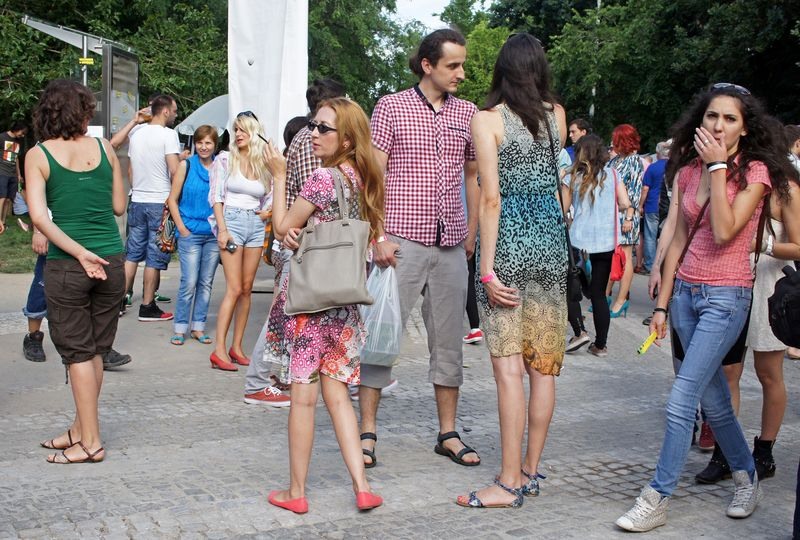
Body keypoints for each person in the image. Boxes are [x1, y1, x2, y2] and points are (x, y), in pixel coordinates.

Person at [615, 83, 777, 531]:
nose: (719, 125)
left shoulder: (756, 172)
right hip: (686, 294)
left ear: (745, 129)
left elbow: (724, 231)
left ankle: (657, 496)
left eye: (730, 119)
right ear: (700, 121)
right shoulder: (688, 171)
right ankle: (747, 477)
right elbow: (678, 239)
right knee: (715, 402)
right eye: (712, 116)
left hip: (727, 296)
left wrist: (720, 167)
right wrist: (661, 305)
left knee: (683, 396)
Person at [361, 28, 481, 470]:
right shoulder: (391, 106)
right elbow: (373, 176)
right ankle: (367, 433)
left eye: (462, 64)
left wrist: (471, 233)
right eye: (453, 65)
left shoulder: (467, 112)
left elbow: (472, 175)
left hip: (451, 244)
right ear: (427, 65)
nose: (461, 73)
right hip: (400, 242)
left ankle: (448, 433)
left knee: (449, 343)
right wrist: (377, 236)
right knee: (381, 337)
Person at [456, 33, 566, 509]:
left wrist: (485, 269)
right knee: (543, 368)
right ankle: (531, 470)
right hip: (551, 247)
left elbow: (491, 198)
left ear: (501, 69)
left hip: (509, 248)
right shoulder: (557, 115)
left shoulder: (487, 120)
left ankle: (506, 482)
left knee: (507, 371)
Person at [263, 97, 384, 513]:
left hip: (310, 305)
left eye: (323, 128)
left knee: (303, 399)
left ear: (346, 139)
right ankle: (362, 486)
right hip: (344, 305)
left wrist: (280, 176)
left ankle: (296, 492)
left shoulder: (321, 179)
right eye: (314, 125)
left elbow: (283, 225)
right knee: (339, 397)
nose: (313, 133)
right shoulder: (363, 179)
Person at [25, 79, 127, 463]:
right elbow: (119, 206)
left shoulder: (38, 155)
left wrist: (81, 253)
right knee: (95, 350)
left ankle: (91, 443)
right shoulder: (105, 148)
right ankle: (81, 428)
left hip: (69, 264)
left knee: (78, 354)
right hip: (111, 261)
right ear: (82, 111)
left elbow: (40, 218)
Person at [245, 79, 344, 406]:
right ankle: (259, 381)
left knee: (290, 314)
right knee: (283, 314)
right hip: (302, 241)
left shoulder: (305, 136)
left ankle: (288, 377)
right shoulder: (316, 143)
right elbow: (316, 197)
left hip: (303, 240)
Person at [208, 111, 272, 371]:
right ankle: (219, 350)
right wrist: (222, 230)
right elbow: (216, 197)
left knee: (247, 289)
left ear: (254, 132)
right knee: (233, 288)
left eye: (243, 129)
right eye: (235, 129)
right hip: (232, 222)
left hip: (255, 224)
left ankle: (236, 347)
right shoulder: (225, 159)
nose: (238, 134)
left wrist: (267, 211)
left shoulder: (263, 163)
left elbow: (270, 194)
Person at [563, 134, 633, 357]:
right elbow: (625, 203)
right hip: (605, 243)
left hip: (578, 242)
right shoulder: (613, 174)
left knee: (570, 290)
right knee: (599, 294)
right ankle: (600, 345)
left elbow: (561, 208)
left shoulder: (573, 177)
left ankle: (579, 332)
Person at [125, 94, 179, 322]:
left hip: (137, 200)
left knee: (132, 254)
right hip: (160, 202)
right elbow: (174, 170)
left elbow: (130, 170)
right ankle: (147, 306)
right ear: (165, 111)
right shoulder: (169, 135)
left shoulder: (136, 133)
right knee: (154, 256)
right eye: (174, 111)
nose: (175, 115)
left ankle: (119, 301)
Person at [166, 125, 220, 346]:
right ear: (194, 144)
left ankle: (198, 326)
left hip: (213, 234)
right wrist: (181, 228)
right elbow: (172, 199)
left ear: (215, 145)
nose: (203, 147)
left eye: (208, 143)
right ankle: (180, 327)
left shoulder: (221, 167)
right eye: (200, 142)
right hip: (189, 232)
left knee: (206, 283)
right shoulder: (185, 165)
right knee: (189, 282)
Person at [606, 124, 644, 318]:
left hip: (626, 215)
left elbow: (635, 192)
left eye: (616, 139)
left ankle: (621, 300)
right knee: (611, 255)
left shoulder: (634, 161)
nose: (613, 142)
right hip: (612, 214)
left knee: (626, 257)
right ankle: (605, 295)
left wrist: (629, 217)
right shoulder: (615, 160)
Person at [640, 141, 669, 273]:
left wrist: (640, 205)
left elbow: (645, 188)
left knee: (650, 237)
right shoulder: (673, 167)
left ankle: (649, 265)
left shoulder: (652, 167)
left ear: (657, 153)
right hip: (668, 207)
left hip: (652, 206)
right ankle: (664, 264)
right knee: (666, 235)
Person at [0, 121, 27, 232]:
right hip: (2, 172)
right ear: (16, 129)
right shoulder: (2, 137)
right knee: (2, 197)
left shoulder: (17, 142)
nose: (23, 135)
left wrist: (19, 174)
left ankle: (3, 223)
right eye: (22, 132)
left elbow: (16, 158)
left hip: (13, 174)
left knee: (8, 199)